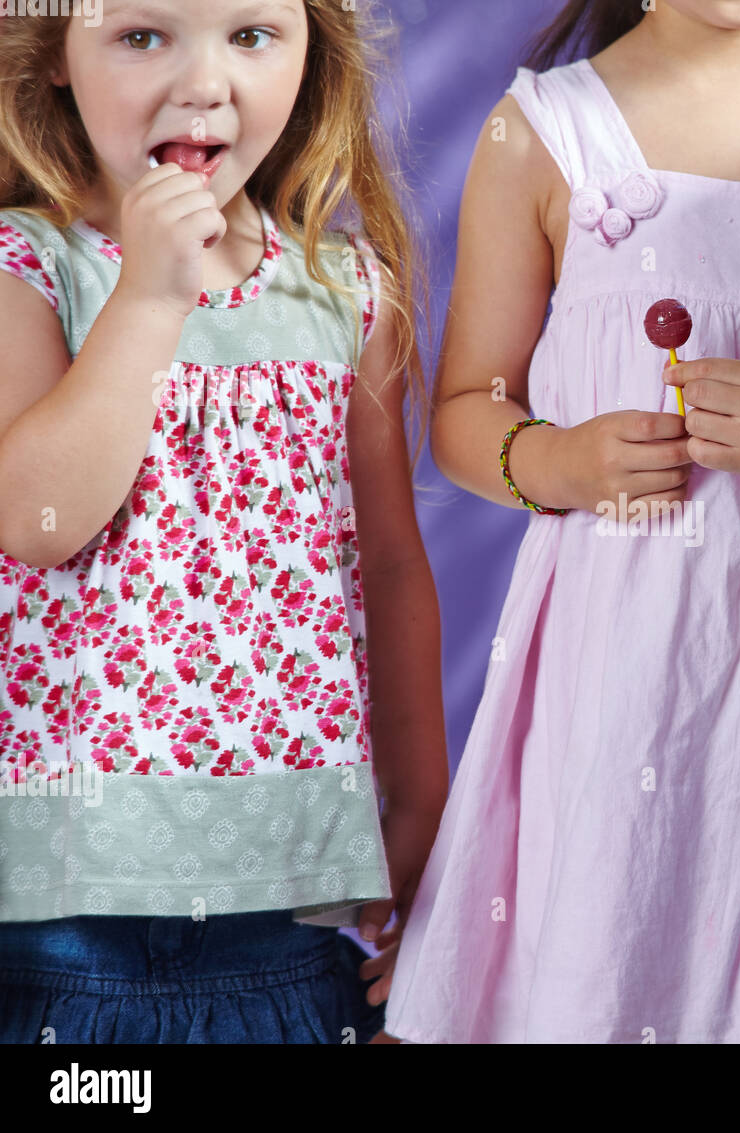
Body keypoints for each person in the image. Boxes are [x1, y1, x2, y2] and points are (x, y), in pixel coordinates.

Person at [384, 0, 740, 1042]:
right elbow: (468, 406)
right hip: (628, 667)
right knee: (620, 917)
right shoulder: (545, 129)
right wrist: (557, 458)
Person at [0, 0, 447, 1043]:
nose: (205, 82)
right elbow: (37, 517)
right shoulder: (27, 266)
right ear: (54, 56)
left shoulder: (346, 288)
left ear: (310, 54)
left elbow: (387, 563)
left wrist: (422, 810)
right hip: (59, 919)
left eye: (251, 35)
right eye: (142, 35)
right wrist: (150, 295)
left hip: (287, 914)